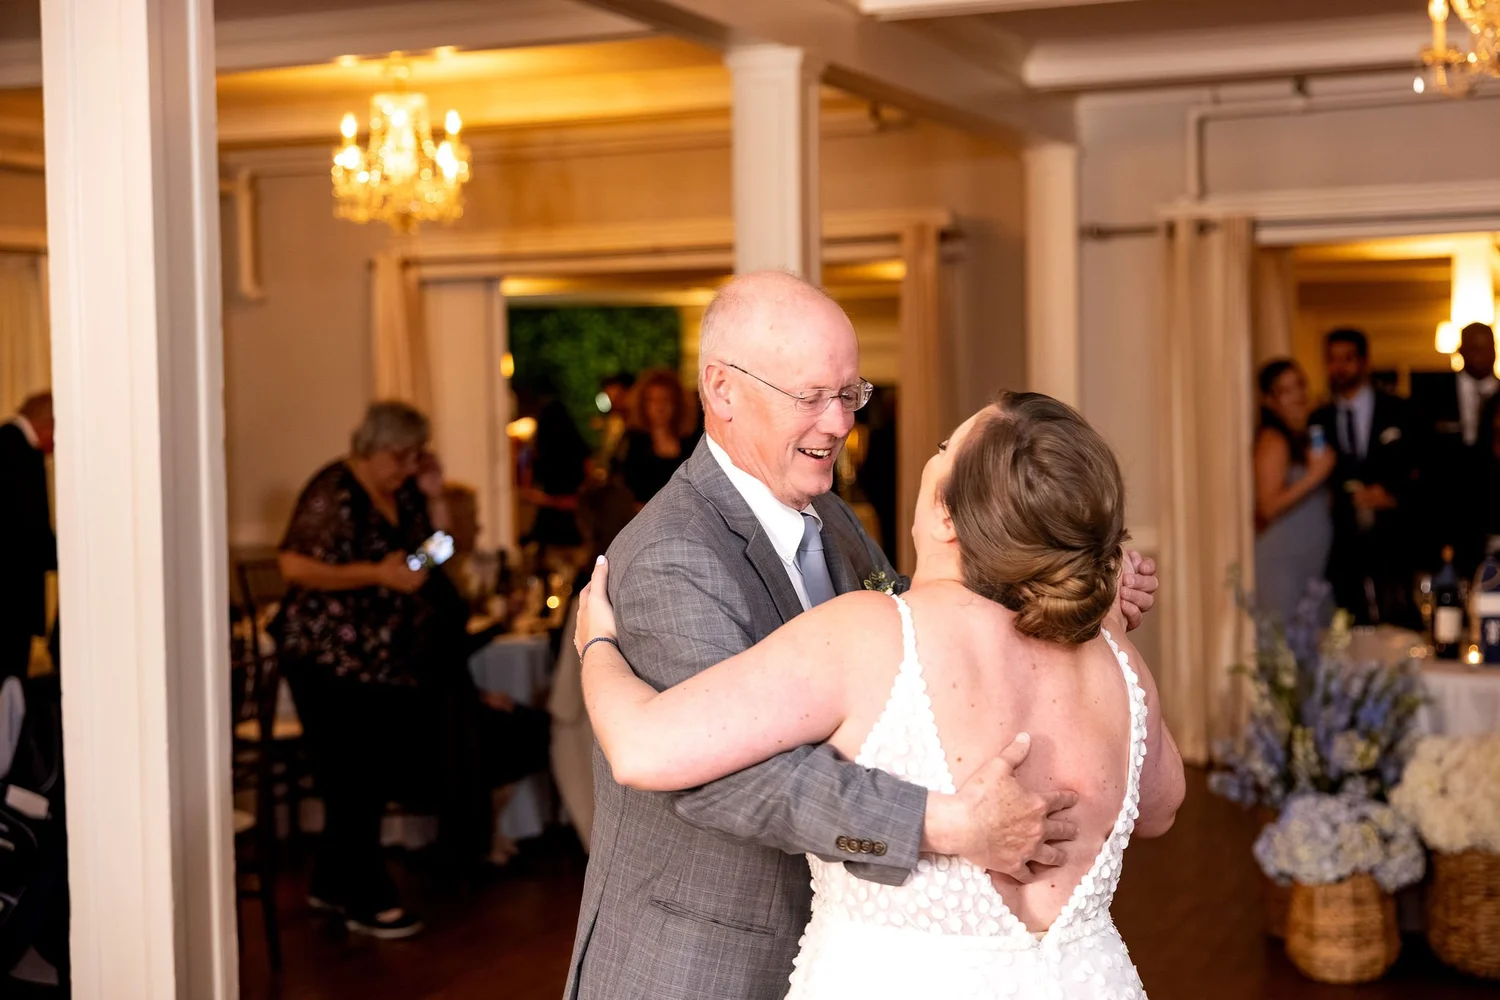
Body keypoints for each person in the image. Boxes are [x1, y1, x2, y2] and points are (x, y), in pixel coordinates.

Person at [561, 271, 1160, 1000]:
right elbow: (714, 775)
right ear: (721, 390)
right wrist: (942, 824)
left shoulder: (838, 524)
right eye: (811, 396)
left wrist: (1060, 595)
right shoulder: (670, 553)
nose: (841, 423)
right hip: (710, 957)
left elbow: (929, 663)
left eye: (850, 393)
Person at [275, 402, 547, 939]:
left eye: (412, 458)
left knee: (361, 772)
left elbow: (437, 553)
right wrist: (374, 572)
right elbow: (294, 564)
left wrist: (435, 496)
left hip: (379, 664)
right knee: (352, 774)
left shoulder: (402, 493)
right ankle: (365, 896)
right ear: (371, 446)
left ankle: (331, 882)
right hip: (325, 659)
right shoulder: (334, 488)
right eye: (398, 457)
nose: (405, 467)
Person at [1310, 329, 1415, 626]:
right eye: (1332, 360)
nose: (1340, 367)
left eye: (1348, 359)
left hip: (1395, 541)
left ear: (1364, 361)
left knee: (1399, 627)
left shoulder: (1400, 410)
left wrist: (1392, 495)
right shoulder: (1319, 419)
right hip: (1342, 545)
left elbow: (1422, 469)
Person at [1253, 360, 1336, 625]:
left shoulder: (1303, 438)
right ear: (1269, 400)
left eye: (1300, 385)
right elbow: (1267, 506)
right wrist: (1315, 476)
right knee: (1286, 656)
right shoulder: (1273, 441)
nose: (1298, 395)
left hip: (1309, 568)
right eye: (1285, 390)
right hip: (1283, 569)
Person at [1414, 321, 1500, 576]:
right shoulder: (1432, 393)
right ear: (1460, 351)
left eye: (1488, 348)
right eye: (1473, 348)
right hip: (1445, 514)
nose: (1482, 354)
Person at [0, 394, 56, 683]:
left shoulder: (11, 445)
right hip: (10, 595)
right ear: (49, 425)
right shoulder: (17, 452)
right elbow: (28, 529)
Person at [616, 368, 693, 507]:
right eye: (652, 400)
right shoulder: (634, 442)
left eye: (665, 400)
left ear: (677, 404)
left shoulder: (691, 444)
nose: (659, 407)